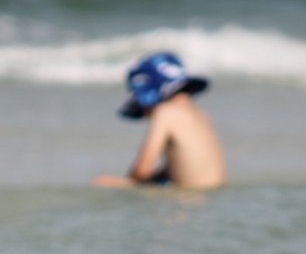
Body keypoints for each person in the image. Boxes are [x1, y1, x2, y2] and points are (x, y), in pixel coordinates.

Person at [94, 52, 227, 189]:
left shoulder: (166, 112)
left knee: (102, 183)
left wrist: (123, 183)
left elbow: (142, 171)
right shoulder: (202, 115)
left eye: (142, 106)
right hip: (211, 196)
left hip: (188, 200)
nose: (145, 113)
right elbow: (186, 167)